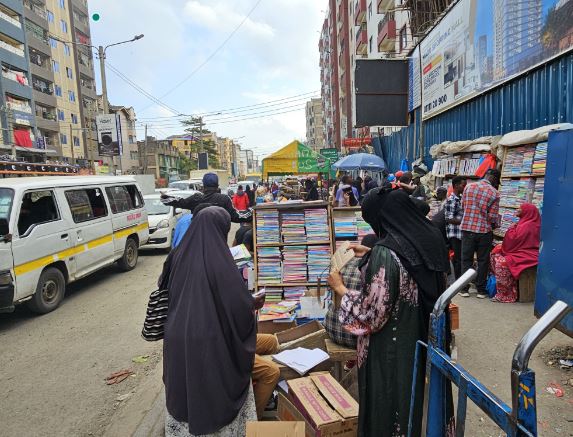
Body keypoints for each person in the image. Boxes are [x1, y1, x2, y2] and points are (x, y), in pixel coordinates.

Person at [328, 188, 452, 437]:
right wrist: (373, 253)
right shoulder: (428, 238)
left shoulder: (387, 253)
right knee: (417, 404)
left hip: (391, 351)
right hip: (421, 340)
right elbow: (412, 268)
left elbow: (371, 315)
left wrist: (340, 289)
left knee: (390, 407)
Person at [163, 207, 257, 436]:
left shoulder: (177, 254)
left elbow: (165, 289)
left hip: (177, 337)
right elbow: (239, 310)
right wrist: (251, 304)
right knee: (214, 394)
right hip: (212, 343)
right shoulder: (220, 260)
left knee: (185, 389)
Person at [460, 168, 501, 298]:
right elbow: (492, 217)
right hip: (484, 231)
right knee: (483, 260)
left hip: (467, 228)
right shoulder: (495, 193)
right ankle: (481, 290)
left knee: (466, 259)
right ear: (494, 179)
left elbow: (463, 206)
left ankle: (464, 289)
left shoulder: (469, 187)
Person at [490, 203, 540, 303]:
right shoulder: (526, 223)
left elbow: (513, 240)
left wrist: (511, 229)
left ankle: (506, 294)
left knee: (501, 263)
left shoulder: (528, 225)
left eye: (520, 208)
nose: (517, 209)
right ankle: (509, 288)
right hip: (521, 251)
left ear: (527, 211)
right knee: (495, 252)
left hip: (527, 254)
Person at [162, 173, 251, 223]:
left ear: (203, 186)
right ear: (217, 186)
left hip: (198, 242)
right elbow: (236, 217)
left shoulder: (196, 198)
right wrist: (252, 212)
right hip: (219, 242)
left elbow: (180, 202)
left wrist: (165, 197)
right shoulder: (224, 199)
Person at [444, 177, 467, 280]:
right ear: (456, 185)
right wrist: (465, 221)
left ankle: (459, 278)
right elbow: (449, 218)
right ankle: (458, 280)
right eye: (463, 185)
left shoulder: (460, 199)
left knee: (460, 258)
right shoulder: (452, 200)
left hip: (460, 233)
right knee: (458, 259)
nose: (465, 187)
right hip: (454, 234)